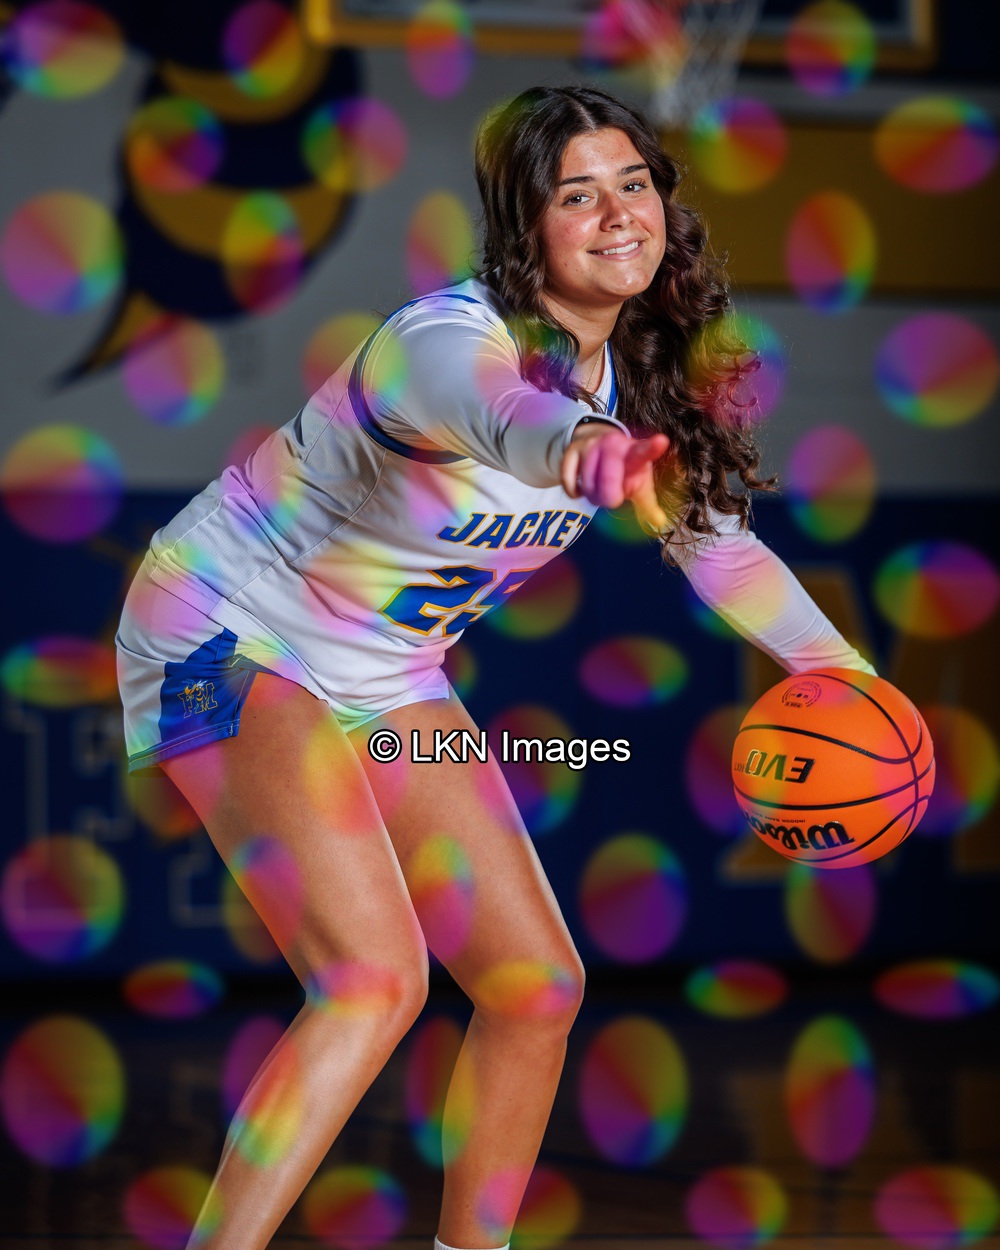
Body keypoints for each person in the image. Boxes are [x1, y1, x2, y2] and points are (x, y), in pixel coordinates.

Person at [116, 85, 874, 1250]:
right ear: (526, 224)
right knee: (372, 979)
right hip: (226, 629)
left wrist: (851, 676)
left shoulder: (646, 367)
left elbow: (719, 548)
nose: (617, 214)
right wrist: (578, 445)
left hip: (384, 670)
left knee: (536, 986)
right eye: (577, 195)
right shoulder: (442, 343)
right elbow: (504, 413)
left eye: (633, 183)